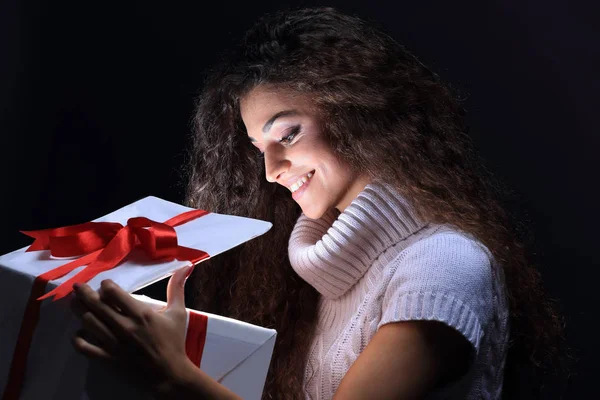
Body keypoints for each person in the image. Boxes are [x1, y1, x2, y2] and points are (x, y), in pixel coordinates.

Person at [71, 7, 566, 399]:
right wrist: (184, 352)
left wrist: (173, 377)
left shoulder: (443, 266)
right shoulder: (325, 268)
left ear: (359, 112)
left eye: (287, 133)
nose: (271, 170)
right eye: (258, 148)